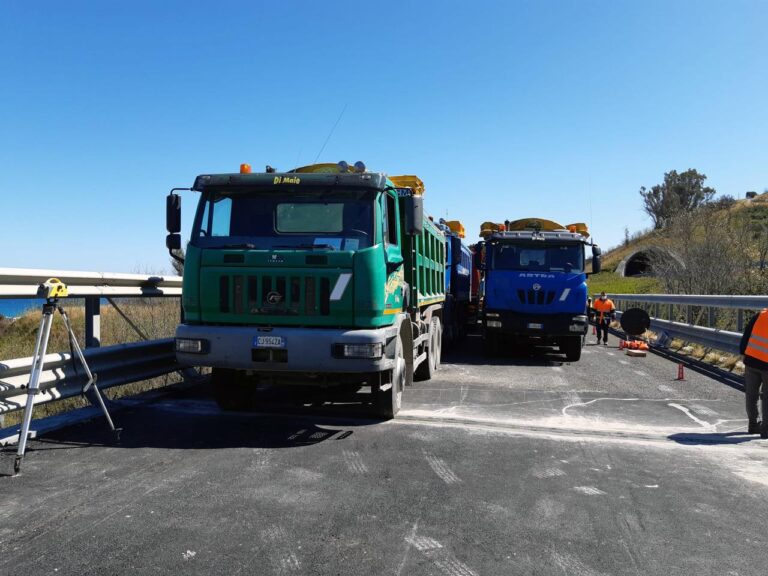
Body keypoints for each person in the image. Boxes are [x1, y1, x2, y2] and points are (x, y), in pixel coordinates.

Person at [739, 309, 768, 438]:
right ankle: (766, 430)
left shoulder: (760, 315)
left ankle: (753, 425)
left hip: (751, 360)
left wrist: (742, 352)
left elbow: (747, 334)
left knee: (751, 395)